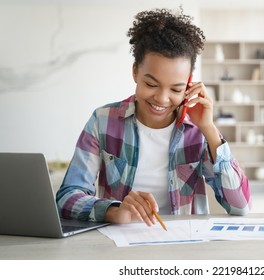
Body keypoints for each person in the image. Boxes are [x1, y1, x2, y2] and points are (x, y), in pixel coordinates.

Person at [56, 8, 251, 227]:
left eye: (176, 89)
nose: (162, 99)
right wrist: (114, 211)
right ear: (135, 72)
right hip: (118, 244)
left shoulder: (198, 130)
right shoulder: (103, 120)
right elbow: (66, 197)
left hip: (184, 246)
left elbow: (240, 206)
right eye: (151, 84)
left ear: (189, 84)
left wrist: (209, 128)